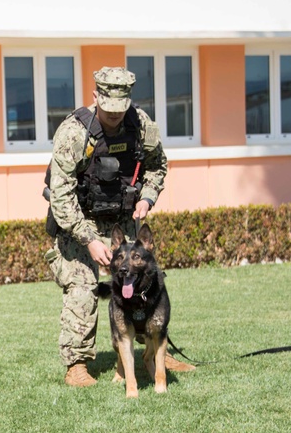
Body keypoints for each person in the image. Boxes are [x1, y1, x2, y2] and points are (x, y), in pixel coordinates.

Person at [45, 66, 190, 387]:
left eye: (119, 111)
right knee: (82, 288)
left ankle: (155, 351)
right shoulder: (73, 133)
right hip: (79, 221)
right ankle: (77, 364)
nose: (114, 117)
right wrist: (90, 240)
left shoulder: (141, 126)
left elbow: (158, 166)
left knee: (142, 282)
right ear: (95, 97)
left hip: (121, 220)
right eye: (108, 111)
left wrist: (148, 198)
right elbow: (61, 196)